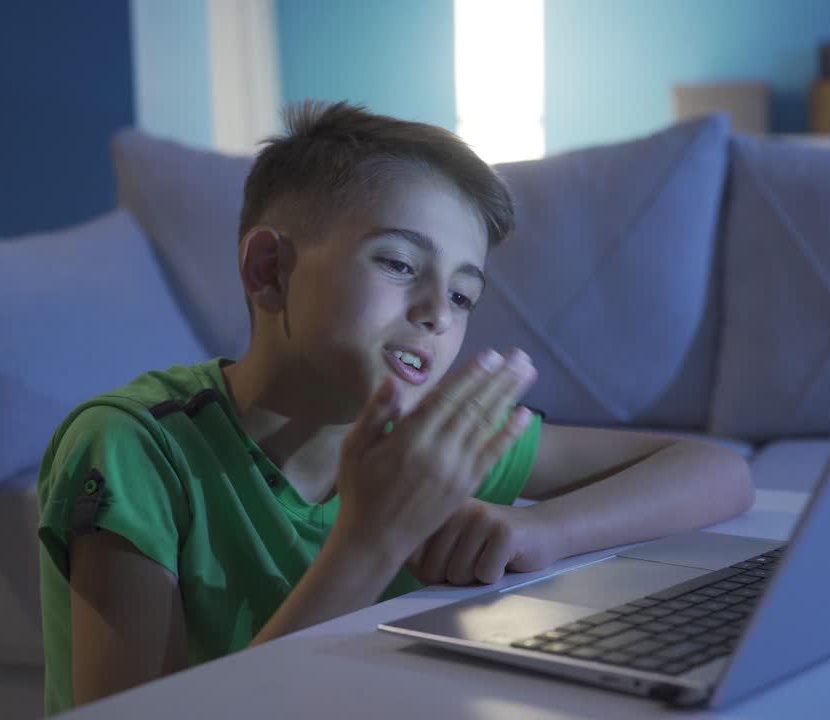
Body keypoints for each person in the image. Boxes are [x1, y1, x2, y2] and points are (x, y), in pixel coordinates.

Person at [36, 100, 754, 714]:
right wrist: (371, 540)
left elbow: (718, 471)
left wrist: (544, 532)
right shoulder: (136, 448)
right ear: (268, 271)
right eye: (400, 264)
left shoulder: (435, 444)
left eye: (464, 294)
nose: (438, 311)